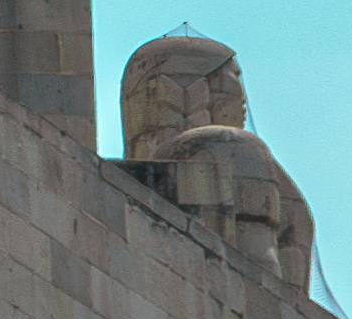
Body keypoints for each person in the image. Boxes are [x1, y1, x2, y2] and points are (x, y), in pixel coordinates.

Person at [118, 31, 318, 302]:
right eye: (233, 74)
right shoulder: (230, 146)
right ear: (199, 86)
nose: (244, 96)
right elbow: (263, 267)